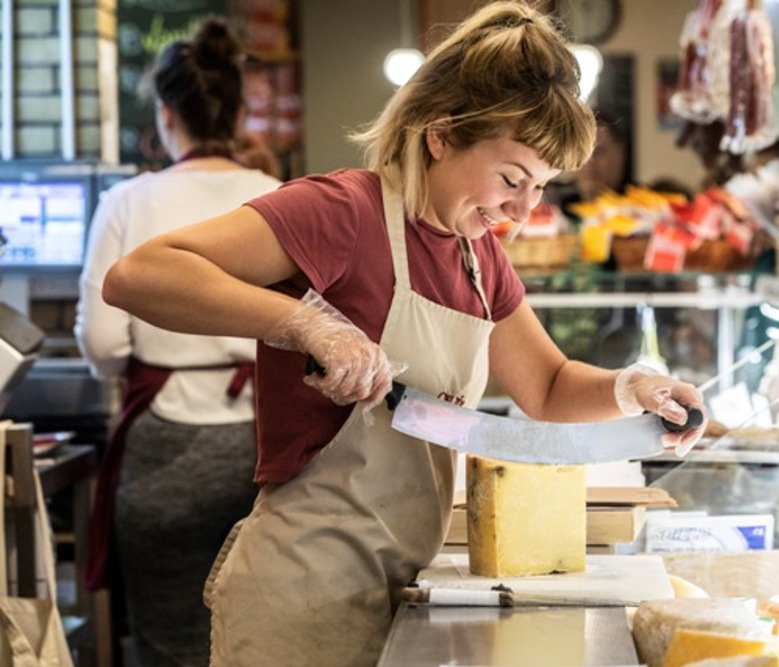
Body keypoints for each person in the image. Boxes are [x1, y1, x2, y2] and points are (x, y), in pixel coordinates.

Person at [101, 3, 707, 665]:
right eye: (510, 178)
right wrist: (307, 322)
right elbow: (139, 274)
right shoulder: (342, 211)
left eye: (540, 187)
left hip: (400, 583)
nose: (522, 208)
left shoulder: (478, 257)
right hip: (303, 591)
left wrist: (633, 388)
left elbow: (550, 386)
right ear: (441, 134)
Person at [74, 17, 282, 666]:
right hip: (264, 446)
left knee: (171, 643)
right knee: (263, 637)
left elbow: (102, 343)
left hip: (161, 445)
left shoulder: (128, 202)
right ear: (239, 113)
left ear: (166, 116)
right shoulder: (280, 198)